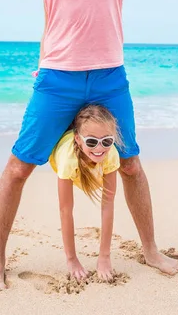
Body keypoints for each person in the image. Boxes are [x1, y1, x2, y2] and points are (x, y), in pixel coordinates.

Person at [0, 0, 178, 290]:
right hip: (58, 77)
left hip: (110, 75)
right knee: (19, 167)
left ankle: (149, 250)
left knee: (130, 165)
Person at [50, 104, 121, 282]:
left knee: (100, 157)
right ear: (78, 140)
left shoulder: (110, 154)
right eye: (91, 141)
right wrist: (72, 260)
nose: (99, 147)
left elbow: (107, 205)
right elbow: (65, 211)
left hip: (91, 166)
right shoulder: (68, 160)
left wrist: (104, 257)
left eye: (106, 141)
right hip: (68, 159)